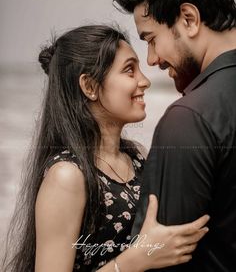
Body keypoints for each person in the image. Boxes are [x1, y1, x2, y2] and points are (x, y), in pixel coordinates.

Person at [1, 25, 210, 272]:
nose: (144, 81)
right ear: (89, 86)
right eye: (129, 70)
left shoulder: (137, 156)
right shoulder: (67, 176)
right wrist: (136, 260)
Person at [115, 0, 236, 271]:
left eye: (151, 39)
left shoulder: (188, 119)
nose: (152, 59)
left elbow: (162, 263)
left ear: (189, 19)